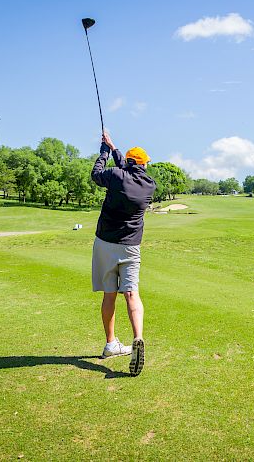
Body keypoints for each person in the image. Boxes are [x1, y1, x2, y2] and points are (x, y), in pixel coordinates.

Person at [91, 132, 156, 376]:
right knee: (131, 292)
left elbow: (97, 174)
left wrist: (104, 152)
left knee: (110, 294)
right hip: (130, 247)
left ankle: (110, 344)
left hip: (105, 243)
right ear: (141, 165)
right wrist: (115, 147)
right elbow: (129, 171)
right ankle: (138, 337)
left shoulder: (115, 176)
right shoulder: (149, 185)